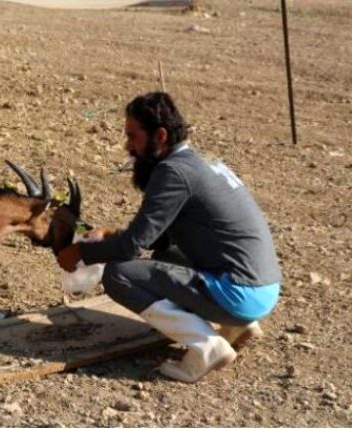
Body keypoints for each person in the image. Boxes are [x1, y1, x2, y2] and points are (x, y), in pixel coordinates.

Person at [57, 91, 281, 383]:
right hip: (262, 287)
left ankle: (207, 347)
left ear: (160, 135)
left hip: (241, 294)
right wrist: (109, 234)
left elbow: (131, 246)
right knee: (166, 256)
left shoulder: (173, 172)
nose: (128, 147)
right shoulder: (200, 160)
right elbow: (156, 240)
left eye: (133, 137)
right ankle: (242, 325)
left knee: (119, 275)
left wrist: (81, 254)